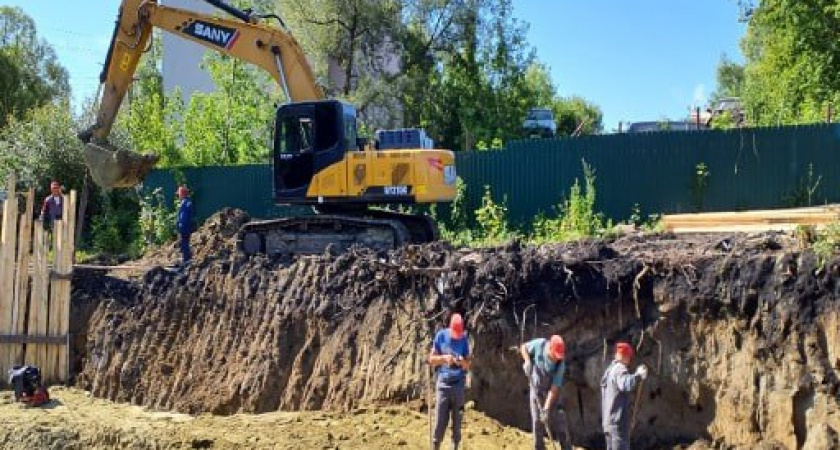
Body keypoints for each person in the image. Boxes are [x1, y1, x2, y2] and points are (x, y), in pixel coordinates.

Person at [428, 312, 471, 450]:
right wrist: (444, 358)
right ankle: (435, 445)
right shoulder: (441, 336)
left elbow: (468, 365)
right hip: (443, 383)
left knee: (458, 420)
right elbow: (431, 360)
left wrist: (461, 361)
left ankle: (455, 446)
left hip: (458, 384)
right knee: (440, 419)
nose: (456, 337)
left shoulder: (464, 339)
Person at [521, 334, 570, 450]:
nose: (557, 358)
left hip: (552, 394)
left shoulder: (560, 364)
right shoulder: (540, 344)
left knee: (560, 421)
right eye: (555, 355)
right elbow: (523, 347)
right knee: (537, 422)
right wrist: (527, 361)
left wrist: (546, 408)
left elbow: (554, 388)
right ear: (550, 349)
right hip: (536, 390)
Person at [601, 342, 648, 450]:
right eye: (629, 357)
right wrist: (638, 376)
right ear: (626, 356)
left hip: (608, 423)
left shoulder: (608, 371)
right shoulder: (620, 369)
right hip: (617, 424)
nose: (629, 360)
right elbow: (625, 384)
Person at [176, 185, 194, 267]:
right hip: (187, 227)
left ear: (182, 194)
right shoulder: (188, 202)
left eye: (179, 194)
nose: (178, 195)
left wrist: (180, 226)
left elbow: (183, 217)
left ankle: (186, 261)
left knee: (184, 244)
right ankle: (186, 259)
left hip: (184, 227)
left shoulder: (184, 204)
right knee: (185, 243)